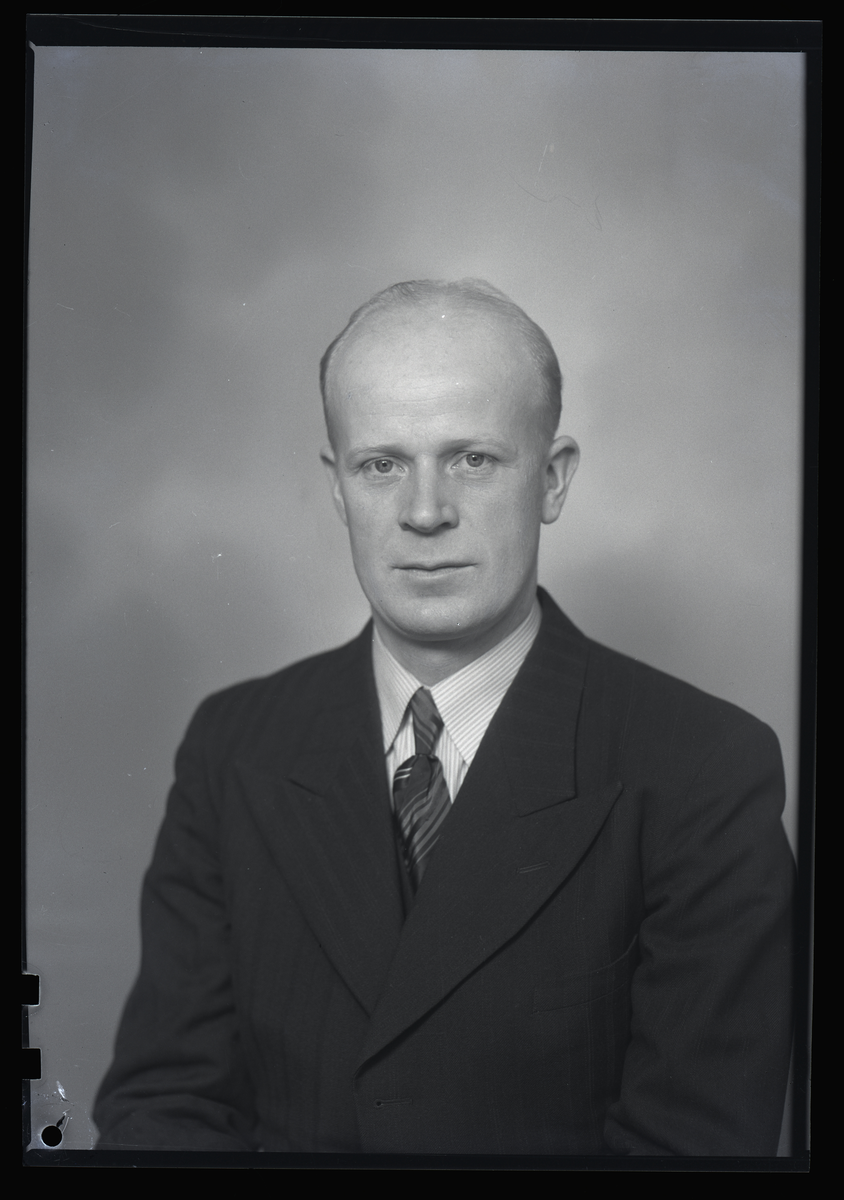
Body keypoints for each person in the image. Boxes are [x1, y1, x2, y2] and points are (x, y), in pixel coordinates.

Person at [93, 279, 794, 1156]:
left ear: (553, 479)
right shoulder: (233, 744)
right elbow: (166, 1108)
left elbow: (691, 1146)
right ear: (337, 488)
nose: (425, 513)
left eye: (473, 460)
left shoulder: (704, 768)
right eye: (381, 465)